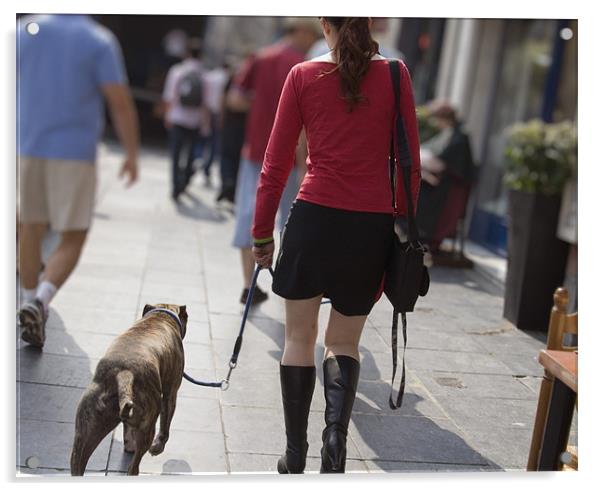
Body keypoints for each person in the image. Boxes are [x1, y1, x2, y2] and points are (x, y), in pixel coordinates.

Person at [251, 17, 420, 473]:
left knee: (298, 337)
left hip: (313, 219)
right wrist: (400, 229)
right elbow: (411, 167)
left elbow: (275, 164)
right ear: (368, 22)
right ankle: (335, 444)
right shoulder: (395, 75)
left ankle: (294, 453)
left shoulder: (303, 75)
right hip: (370, 225)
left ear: (323, 23)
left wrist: (262, 234)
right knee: (343, 342)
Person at [17, 14, 139, 348]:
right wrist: (131, 152)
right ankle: (39, 300)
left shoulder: (25, 30)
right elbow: (120, 102)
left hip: (26, 145)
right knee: (74, 234)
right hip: (74, 152)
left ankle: (27, 296)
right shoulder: (98, 40)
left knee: (31, 225)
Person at [228, 18, 321, 306]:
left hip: (256, 148)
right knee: (290, 221)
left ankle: (249, 283)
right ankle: (287, 284)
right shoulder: (306, 66)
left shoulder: (261, 57)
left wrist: (260, 103)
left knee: (250, 215)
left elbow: (235, 99)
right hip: (292, 156)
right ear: (302, 32)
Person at [416, 100, 475, 253]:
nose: (434, 123)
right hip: (441, 183)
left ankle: (427, 236)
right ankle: (421, 234)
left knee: (422, 195)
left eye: (436, 119)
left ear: (444, 118)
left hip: (451, 188)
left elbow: (444, 162)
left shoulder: (460, 136)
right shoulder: (449, 133)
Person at [162, 37, 210, 200]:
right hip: (195, 121)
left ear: (187, 53)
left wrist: (168, 114)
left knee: (175, 154)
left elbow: (170, 95)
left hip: (177, 117)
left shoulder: (177, 71)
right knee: (190, 154)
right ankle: (185, 181)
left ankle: (176, 186)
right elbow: (205, 103)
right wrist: (205, 124)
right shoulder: (204, 75)